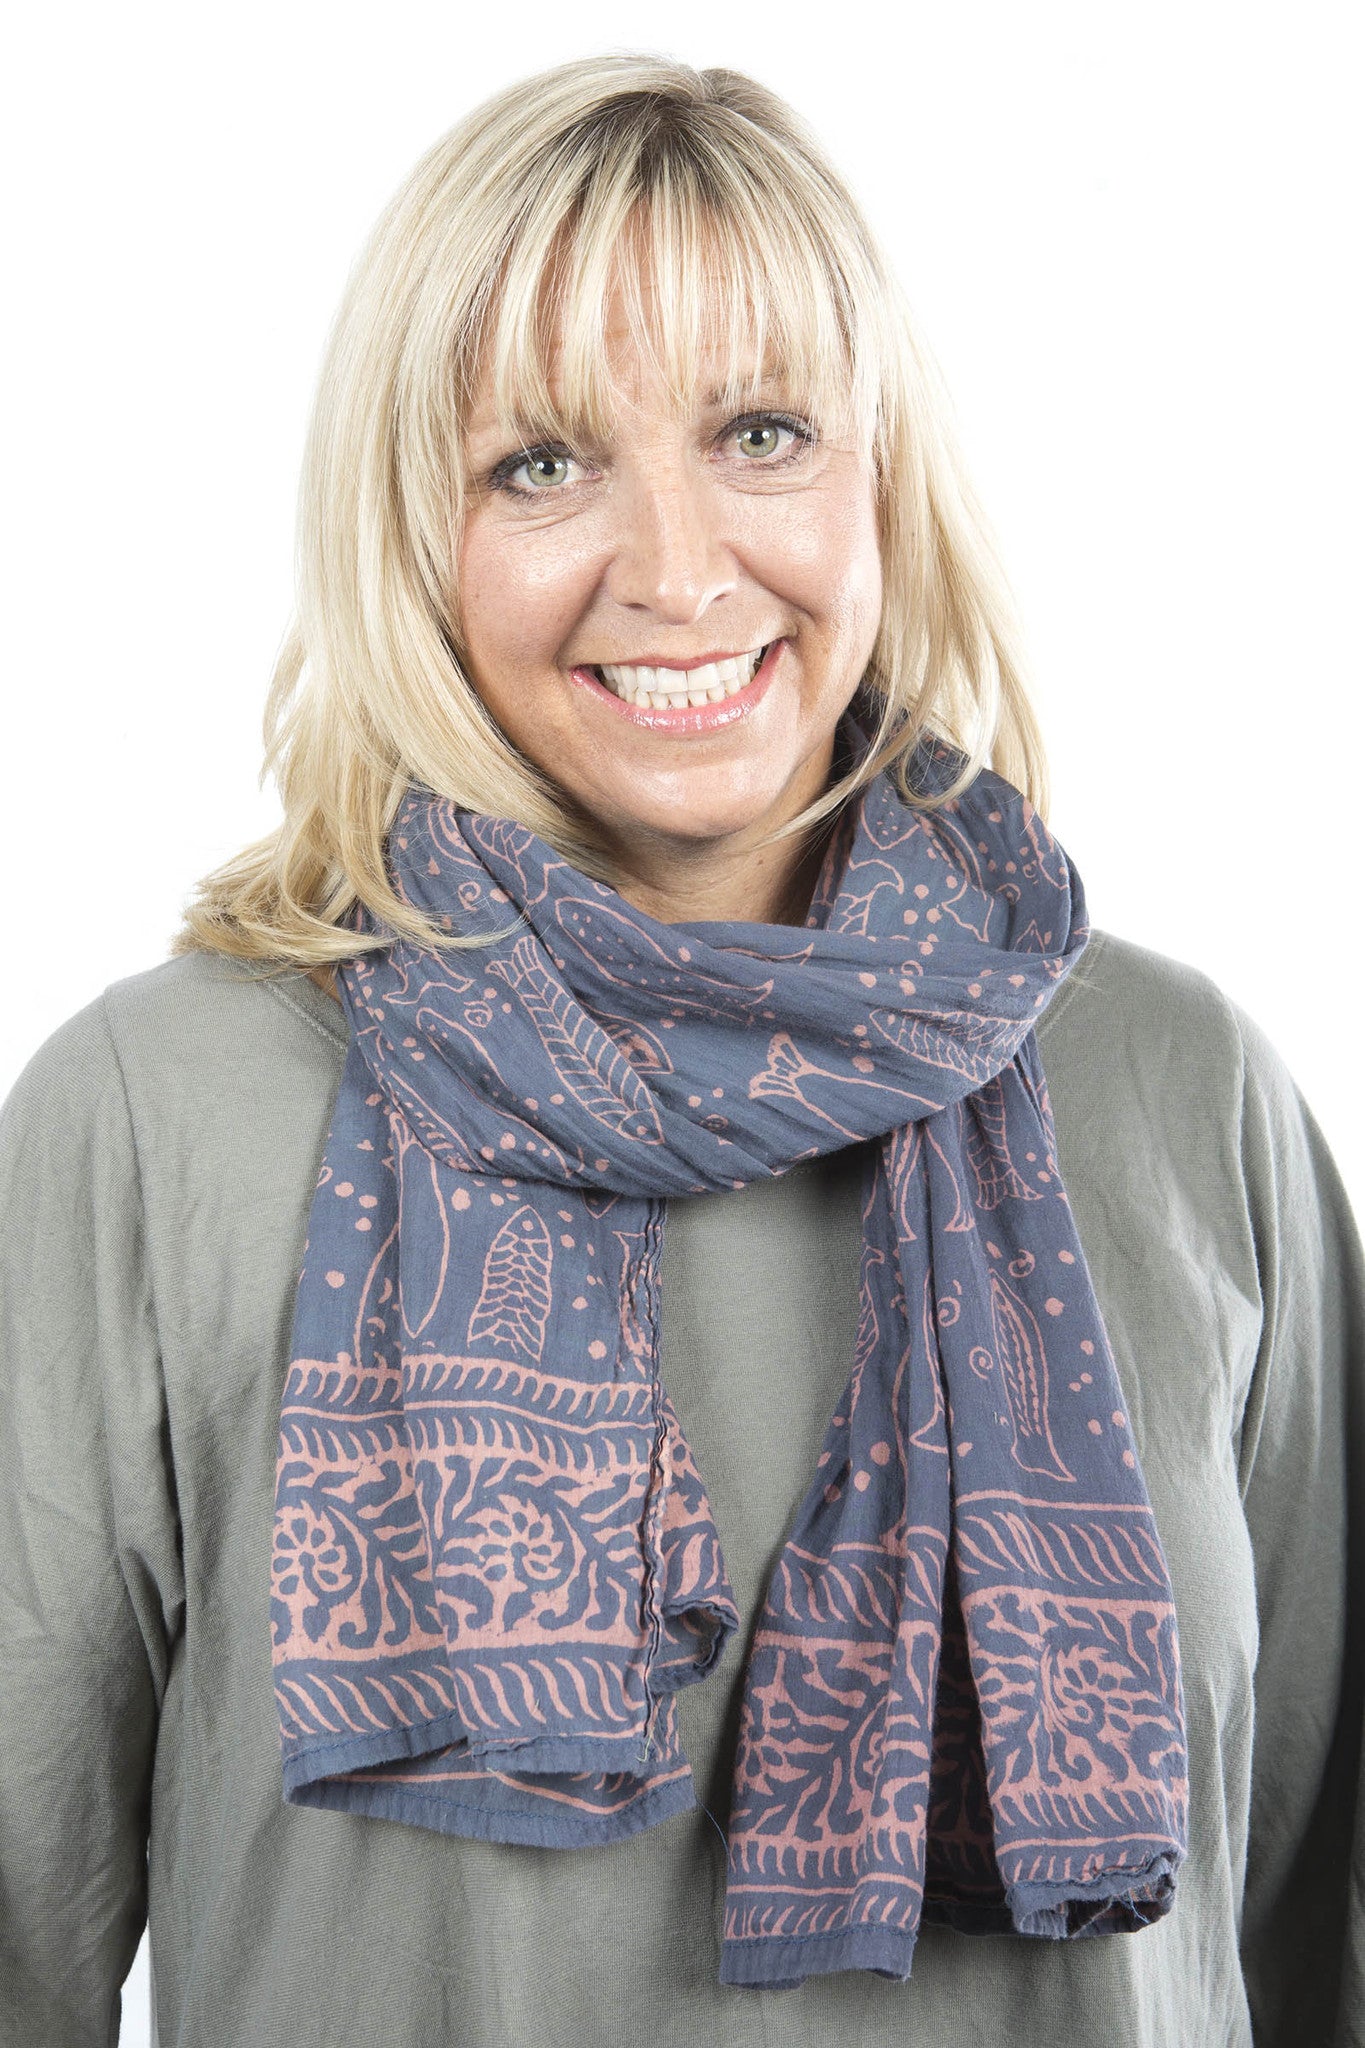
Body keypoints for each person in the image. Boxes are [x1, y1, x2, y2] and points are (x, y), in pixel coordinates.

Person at [0, 51, 1360, 2048]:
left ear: (882, 476)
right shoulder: (155, 1116)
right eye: (540, 464)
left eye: (762, 433)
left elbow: (1316, 1921)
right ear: (406, 532)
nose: (678, 568)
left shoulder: (1177, 1090)